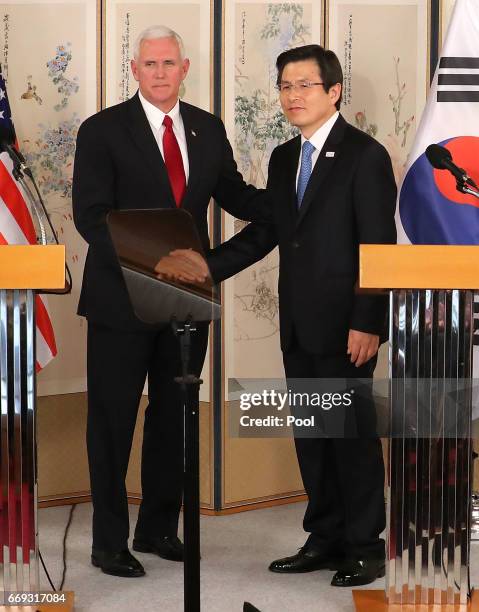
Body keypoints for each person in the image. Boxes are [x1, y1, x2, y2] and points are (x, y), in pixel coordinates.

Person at [168, 44, 397, 587]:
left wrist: (368, 319)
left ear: (334, 91)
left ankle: (365, 546)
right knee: (313, 435)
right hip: (298, 322)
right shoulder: (282, 158)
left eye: (303, 86)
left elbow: (378, 245)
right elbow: (268, 232)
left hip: (348, 326)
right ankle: (324, 537)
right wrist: (205, 266)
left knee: (352, 439)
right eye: (285, 87)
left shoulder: (365, 156)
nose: (291, 96)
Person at [72, 25, 265, 578]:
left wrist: (287, 201)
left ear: (185, 69)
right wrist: (154, 261)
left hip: (185, 302)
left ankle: (158, 528)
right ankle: (108, 541)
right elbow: (91, 216)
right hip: (120, 302)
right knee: (112, 422)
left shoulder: (207, 128)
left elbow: (234, 195)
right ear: (134, 70)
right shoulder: (102, 131)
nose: (160, 72)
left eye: (169, 63)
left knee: (174, 418)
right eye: (150, 64)